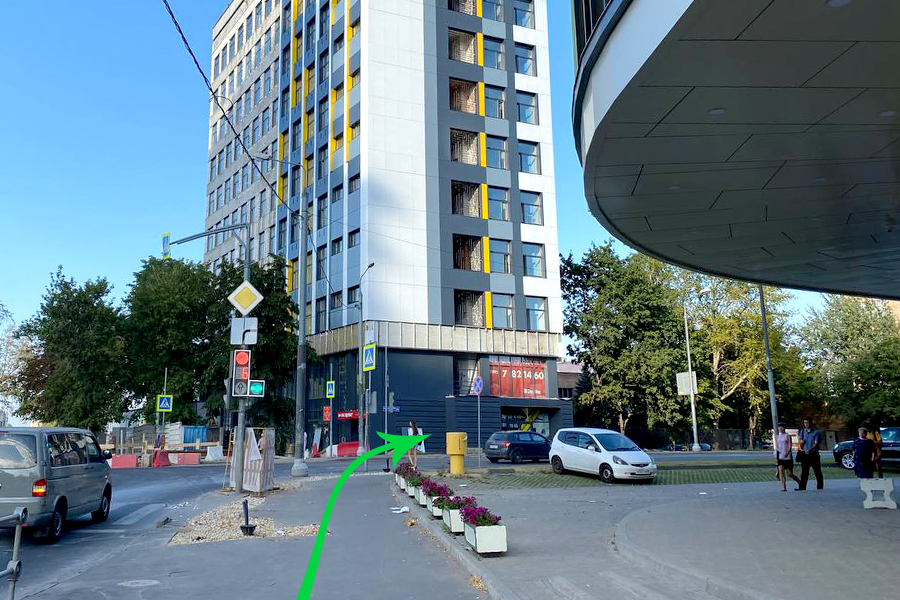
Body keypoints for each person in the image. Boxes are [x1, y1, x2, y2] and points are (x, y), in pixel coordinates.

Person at [797, 417, 824, 490]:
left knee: (817, 470)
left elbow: (816, 443)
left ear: (811, 423)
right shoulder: (803, 431)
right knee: (804, 472)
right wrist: (801, 444)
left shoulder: (816, 432)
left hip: (813, 454)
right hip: (805, 454)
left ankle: (820, 486)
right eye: (804, 423)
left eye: (807, 422)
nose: (806, 424)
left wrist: (810, 449)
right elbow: (800, 441)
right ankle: (802, 487)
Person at [774, 423, 801, 492]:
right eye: (779, 427)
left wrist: (787, 452)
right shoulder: (777, 436)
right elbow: (777, 447)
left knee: (790, 474)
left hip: (787, 456)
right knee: (781, 470)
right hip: (780, 456)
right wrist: (776, 456)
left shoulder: (788, 436)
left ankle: (800, 482)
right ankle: (783, 487)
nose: (780, 428)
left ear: (784, 428)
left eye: (782, 427)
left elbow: (790, 446)